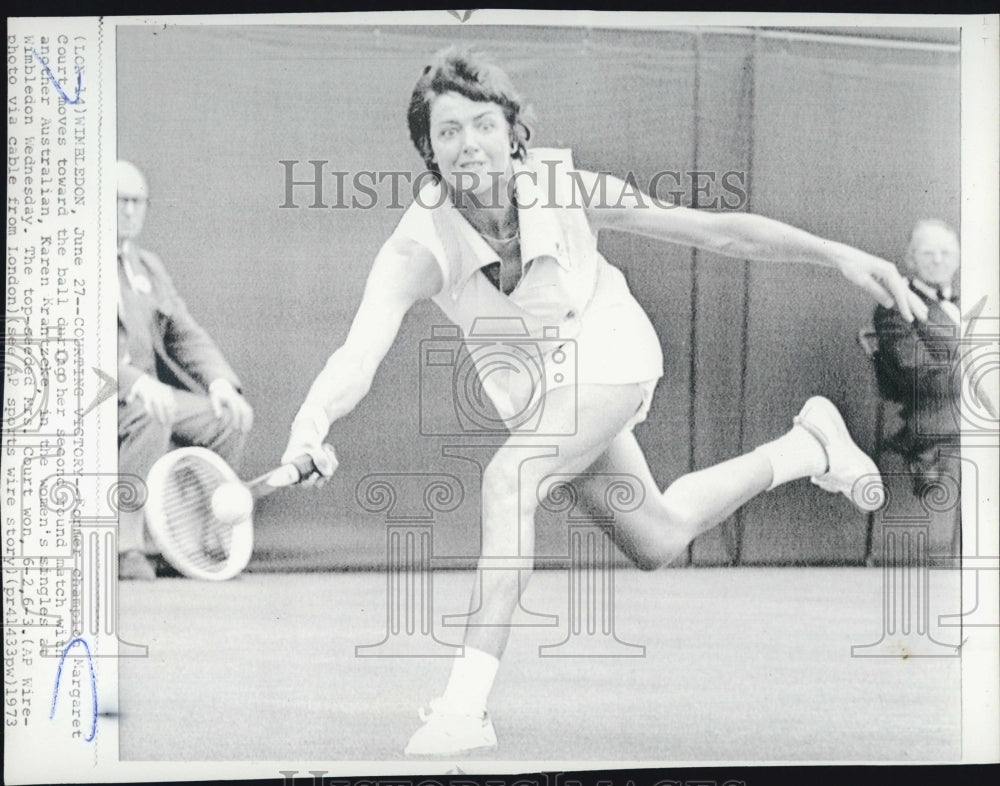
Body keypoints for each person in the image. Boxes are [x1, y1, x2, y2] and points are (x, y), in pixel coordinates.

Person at [282, 48, 927, 756]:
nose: (469, 144)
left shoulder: (566, 188)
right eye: (448, 132)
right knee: (658, 536)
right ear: (428, 152)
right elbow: (358, 355)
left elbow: (715, 231)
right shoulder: (417, 247)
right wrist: (311, 425)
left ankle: (465, 706)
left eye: (482, 124)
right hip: (536, 392)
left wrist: (835, 252)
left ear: (512, 132)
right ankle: (806, 445)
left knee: (510, 477)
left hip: (610, 351)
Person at [117, 160, 254, 580]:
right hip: (95, 396)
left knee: (227, 420)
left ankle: (198, 540)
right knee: (151, 409)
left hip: (144, 396)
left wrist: (220, 383)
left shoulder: (147, 266)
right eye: (120, 200)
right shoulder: (66, 264)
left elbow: (184, 333)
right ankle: (126, 549)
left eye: (138, 201)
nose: (130, 211)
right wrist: (136, 383)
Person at [873, 220, 962, 498]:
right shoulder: (895, 305)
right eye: (927, 253)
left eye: (946, 253)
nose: (938, 260)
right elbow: (916, 372)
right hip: (933, 417)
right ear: (911, 259)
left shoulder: (970, 301)